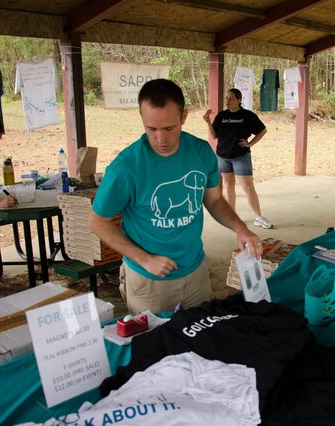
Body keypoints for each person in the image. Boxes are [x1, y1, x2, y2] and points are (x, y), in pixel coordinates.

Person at [89, 79, 262, 313]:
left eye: (169, 128)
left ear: (184, 117)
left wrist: (241, 228)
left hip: (196, 272)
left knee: (202, 339)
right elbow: (98, 222)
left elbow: (214, 200)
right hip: (149, 280)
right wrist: (144, 259)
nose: (161, 139)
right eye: (151, 129)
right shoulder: (126, 167)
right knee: (155, 345)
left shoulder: (201, 152)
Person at [203, 88, 273, 229]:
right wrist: (208, 123)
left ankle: (258, 217)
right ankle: (232, 215)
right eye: (226, 98)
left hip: (240, 156)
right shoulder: (222, 116)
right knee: (228, 186)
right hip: (223, 155)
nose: (227, 101)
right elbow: (214, 136)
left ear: (239, 100)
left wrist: (250, 143)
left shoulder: (247, 116)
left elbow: (262, 131)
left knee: (247, 186)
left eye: (230, 98)